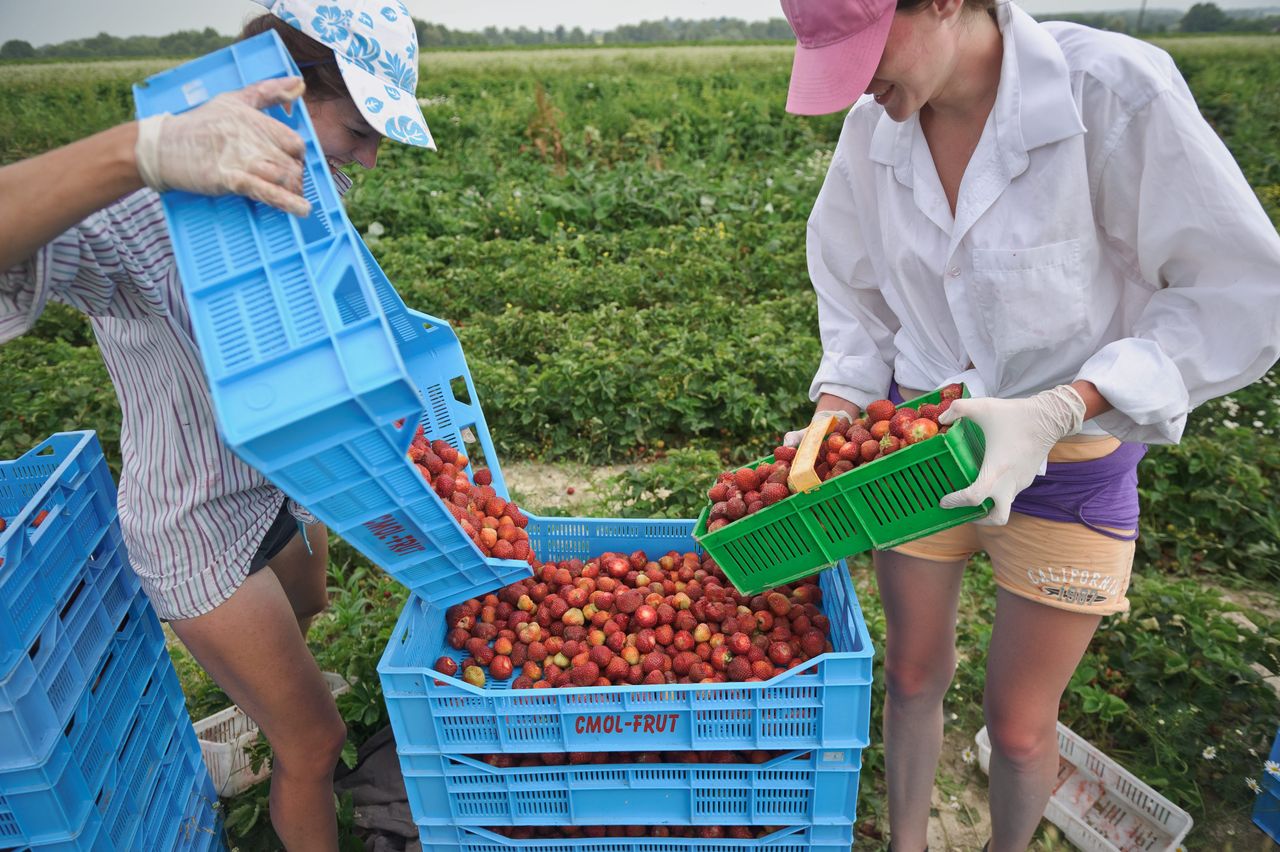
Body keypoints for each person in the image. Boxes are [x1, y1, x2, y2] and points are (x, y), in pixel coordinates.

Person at [777, 0, 1280, 849]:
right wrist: (835, 412)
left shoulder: (1111, 94)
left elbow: (1236, 293)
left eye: (863, 48)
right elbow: (853, 293)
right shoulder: (875, 130)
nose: (857, 82)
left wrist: (1062, 406)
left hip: (1074, 463)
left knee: (1017, 727)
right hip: (917, 458)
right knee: (909, 676)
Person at [0, 2, 434, 848]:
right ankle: (289, 755)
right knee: (316, 742)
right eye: (358, 127)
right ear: (281, 89)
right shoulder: (137, 216)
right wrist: (144, 151)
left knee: (309, 601)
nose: (370, 158)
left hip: (283, 481)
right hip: (195, 520)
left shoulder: (309, 179)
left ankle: (260, 706)